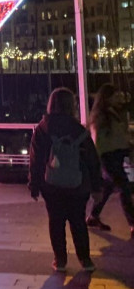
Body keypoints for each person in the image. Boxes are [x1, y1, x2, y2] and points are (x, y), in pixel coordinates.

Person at [29, 87, 102, 272]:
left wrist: (34, 184)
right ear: (72, 105)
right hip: (78, 184)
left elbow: (36, 159)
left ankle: (60, 260)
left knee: (56, 221)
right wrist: (96, 185)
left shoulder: (43, 128)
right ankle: (85, 260)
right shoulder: (79, 129)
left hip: (51, 183)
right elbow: (92, 159)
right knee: (78, 221)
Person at [86, 83, 134, 237]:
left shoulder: (112, 113)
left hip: (117, 153)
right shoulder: (100, 116)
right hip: (108, 156)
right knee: (124, 187)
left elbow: (119, 134)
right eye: (114, 96)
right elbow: (98, 139)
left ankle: (93, 216)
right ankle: (132, 222)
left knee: (108, 187)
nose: (117, 98)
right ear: (107, 98)